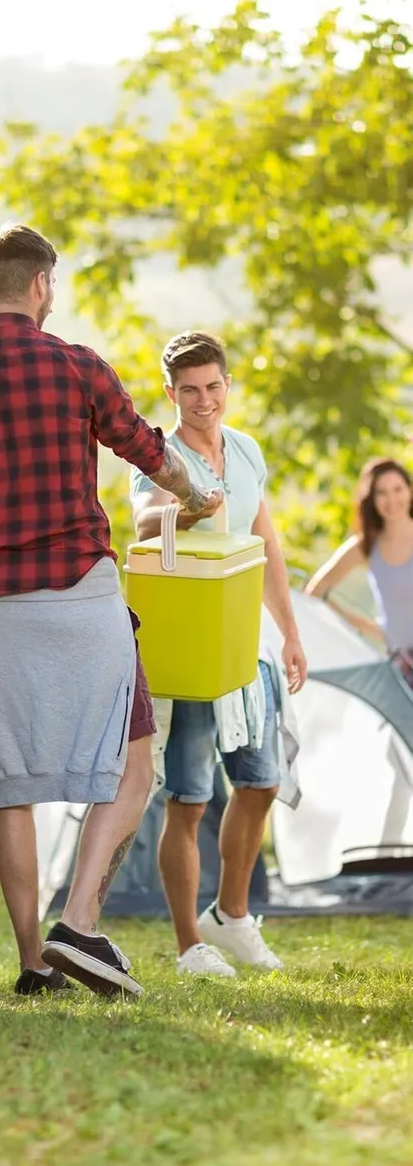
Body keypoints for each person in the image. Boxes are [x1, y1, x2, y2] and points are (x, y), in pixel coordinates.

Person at [0, 224, 219, 1000]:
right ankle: (78, 919)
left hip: (2, 606)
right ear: (42, 285)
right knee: (134, 760)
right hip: (84, 593)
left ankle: (34, 965)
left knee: (12, 786)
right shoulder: (78, 366)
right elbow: (148, 449)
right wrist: (198, 494)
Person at [129, 330, 307, 979]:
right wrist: (190, 506)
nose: (204, 401)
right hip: (195, 647)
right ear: (171, 393)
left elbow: (268, 543)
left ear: (226, 385)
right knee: (190, 798)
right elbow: (143, 523)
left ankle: (230, 918)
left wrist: (289, 631)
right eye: (190, 391)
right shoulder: (159, 453)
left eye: (213, 387)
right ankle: (188, 946)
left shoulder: (247, 450)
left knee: (261, 780)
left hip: (249, 643)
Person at [304, 458, 413, 663]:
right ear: (371, 499)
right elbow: (314, 592)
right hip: (401, 666)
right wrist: (356, 622)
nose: (391, 499)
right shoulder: (365, 547)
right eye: (382, 492)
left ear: (410, 491)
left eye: (398, 489)